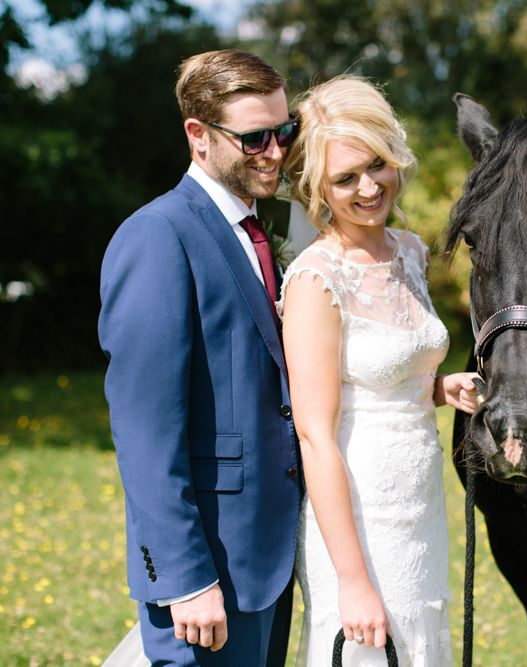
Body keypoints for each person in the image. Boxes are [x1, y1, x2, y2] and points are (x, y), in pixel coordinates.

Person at [98, 49, 309, 666]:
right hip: (208, 570)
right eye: (254, 138)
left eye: (284, 130)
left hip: (266, 558)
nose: (276, 150)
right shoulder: (158, 235)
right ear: (198, 136)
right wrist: (185, 578)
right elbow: (144, 429)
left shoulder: (255, 232)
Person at [278, 75, 478, 665]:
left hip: (419, 504)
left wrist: (440, 388)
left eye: (378, 165)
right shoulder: (316, 280)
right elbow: (315, 436)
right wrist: (352, 580)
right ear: (315, 187)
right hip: (357, 518)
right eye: (345, 178)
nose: (369, 187)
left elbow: (383, 378)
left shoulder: (410, 251)